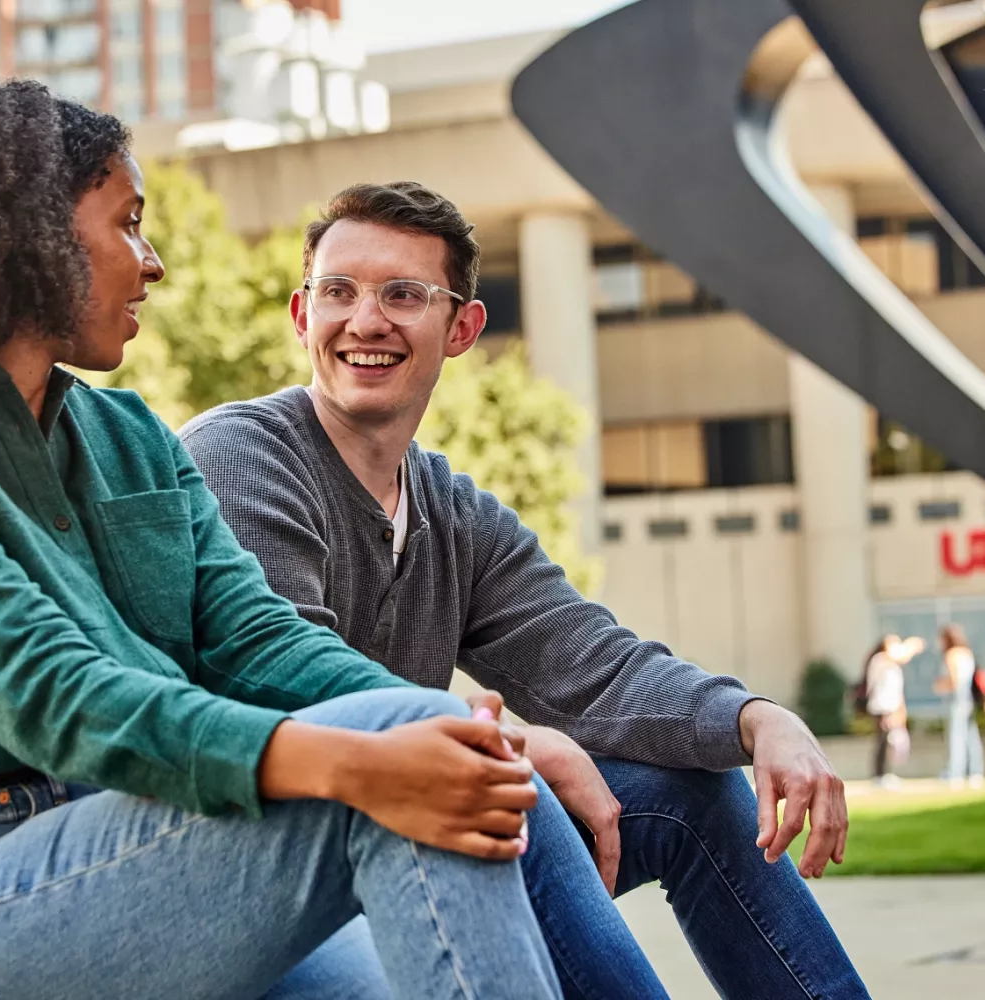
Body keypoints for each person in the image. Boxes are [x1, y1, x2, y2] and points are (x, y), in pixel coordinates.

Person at [0, 73, 655, 1000]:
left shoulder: (130, 436)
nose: (151, 262)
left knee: (456, 754)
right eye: (128, 224)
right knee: (412, 761)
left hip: (165, 842)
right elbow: (54, 694)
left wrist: (470, 731)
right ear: (27, 233)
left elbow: (259, 641)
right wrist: (371, 751)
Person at [181, 181, 868, 1000]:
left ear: (462, 328)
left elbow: (595, 667)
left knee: (694, 790)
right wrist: (509, 741)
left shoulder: (453, 513)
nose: (365, 320)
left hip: (411, 828)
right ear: (302, 315)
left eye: (403, 295)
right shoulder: (240, 456)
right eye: (339, 291)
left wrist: (759, 720)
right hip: (267, 869)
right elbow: (281, 680)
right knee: (512, 786)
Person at [863, 636, 921, 790]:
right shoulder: (880, 659)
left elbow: (897, 691)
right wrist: (911, 646)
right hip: (881, 707)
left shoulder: (894, 666)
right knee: (882, 741)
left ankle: (886, 773)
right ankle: (879, 775)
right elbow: (898, 656)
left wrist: (901, 710)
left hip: (891, 707)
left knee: (890, 742)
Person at [936, 624, 985, 787]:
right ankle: (976, 772)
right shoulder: (967, 653)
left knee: (956, 737)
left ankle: (955, 773)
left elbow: (954, 681)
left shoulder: (951, 655)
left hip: (957, 700)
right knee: (971, 736)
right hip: (969, 700)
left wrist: (941, 685)